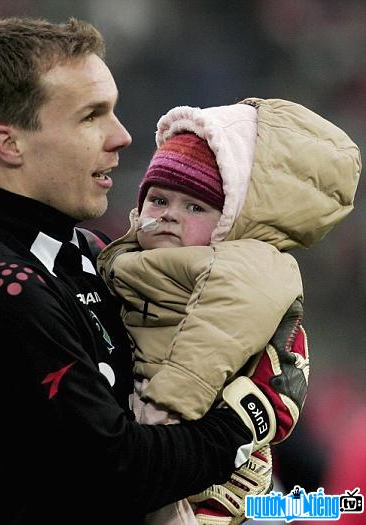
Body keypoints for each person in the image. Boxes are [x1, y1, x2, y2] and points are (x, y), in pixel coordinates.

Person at [0, 17, 310, 525]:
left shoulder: (91, 253)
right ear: (10, 145)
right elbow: (120, 469)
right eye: (91, 116)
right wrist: (243, 426)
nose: (123, 136)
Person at [97, 98, 361, 524]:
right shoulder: (105, 263)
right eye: (159, 200)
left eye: (195, 207)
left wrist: (170, 414)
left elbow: (221, 351)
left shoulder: (246, 269)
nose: (169, 216)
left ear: (230, 221)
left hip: (199, 467)